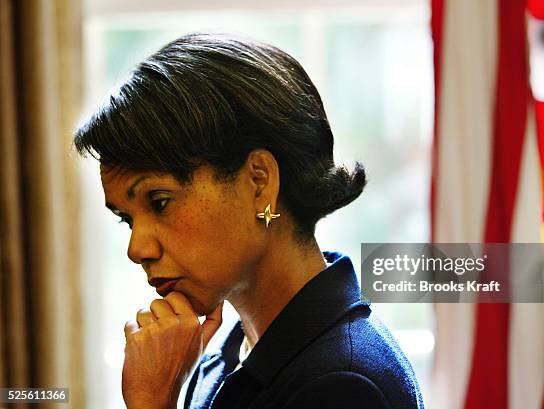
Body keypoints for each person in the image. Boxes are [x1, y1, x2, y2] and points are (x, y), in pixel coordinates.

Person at [74, 33, 424, 409]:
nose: (137, 249)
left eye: (160, 203)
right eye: (127, 219)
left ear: (259, 181)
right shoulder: (223, 359)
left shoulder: (345, 385)